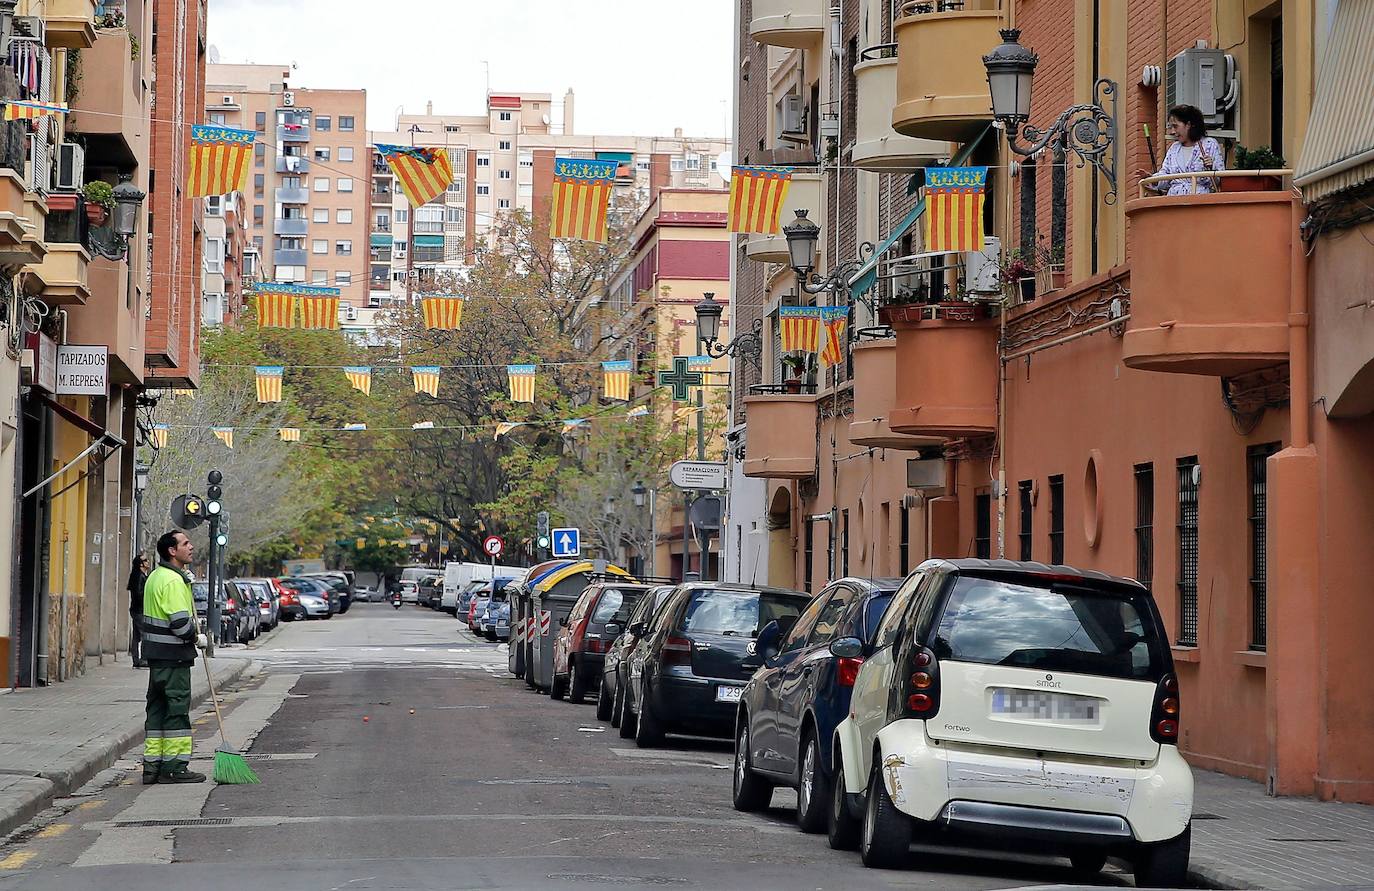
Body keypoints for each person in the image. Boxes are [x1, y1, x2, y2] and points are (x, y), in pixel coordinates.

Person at [140, 531, 208, 785]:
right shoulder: (172, 581)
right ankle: (175, 767)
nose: (191, 547)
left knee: (156, 711)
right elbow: (180, 624)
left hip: (156, 657)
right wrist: (195, 637)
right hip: (174, 658)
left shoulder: (155, 577)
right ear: (172, 551)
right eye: (185, 543)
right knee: (177, 711)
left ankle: (152, 767)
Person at [1138, 104, 1225, 196]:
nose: (1172, 132)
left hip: (1200, 202)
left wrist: (1211, 169)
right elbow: (1165, 174)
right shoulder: (1174, 148)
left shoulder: (1209, 144)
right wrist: (1152, 178)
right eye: (1171, 127)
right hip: (1174, 202)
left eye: (1175, 126)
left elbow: (1221, 180)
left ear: (1188, 124)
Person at [127, 554, 150, 668]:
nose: (148, 562)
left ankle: (136, 660)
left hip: (136, 609)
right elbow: (138, 594)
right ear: (141, 564)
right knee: (145, 634)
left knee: (136, 635)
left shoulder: (138, 575)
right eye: (145, 560)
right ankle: (144, 659)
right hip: (139, 610)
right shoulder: (139, 577)